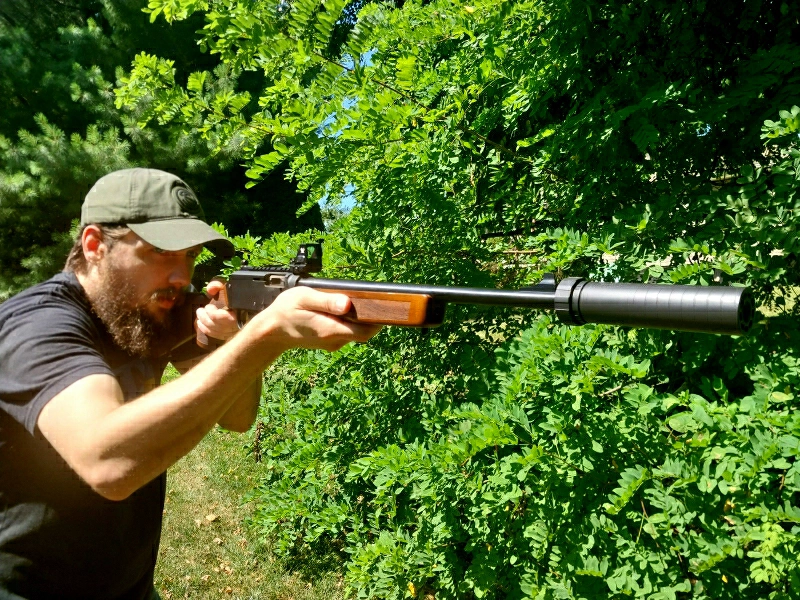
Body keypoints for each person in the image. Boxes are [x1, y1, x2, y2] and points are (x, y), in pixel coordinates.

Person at [0, 168, 378, 600]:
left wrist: (226, 339)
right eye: (161, 252)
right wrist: (264, 337)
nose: (182, 275)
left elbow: (237, 417)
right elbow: (107, 462)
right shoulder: (37, 326)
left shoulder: (146, 312)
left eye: (191, 255)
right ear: (94, 246)